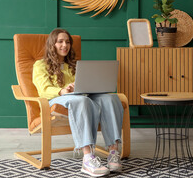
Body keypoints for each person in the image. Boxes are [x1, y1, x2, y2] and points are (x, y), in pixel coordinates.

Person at [32, 28, 124, 177]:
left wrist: (87, 86)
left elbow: (83, 87)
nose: (65, 45)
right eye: (60, 41)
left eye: (67, 42)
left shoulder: (74, 65)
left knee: (111, 98)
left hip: (81, 96)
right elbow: (43, 89)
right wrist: (62, 90)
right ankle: (87, 159)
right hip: (57, 100)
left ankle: (113, 152)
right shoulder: (40, 65)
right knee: (81, 101)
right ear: (52, 44)